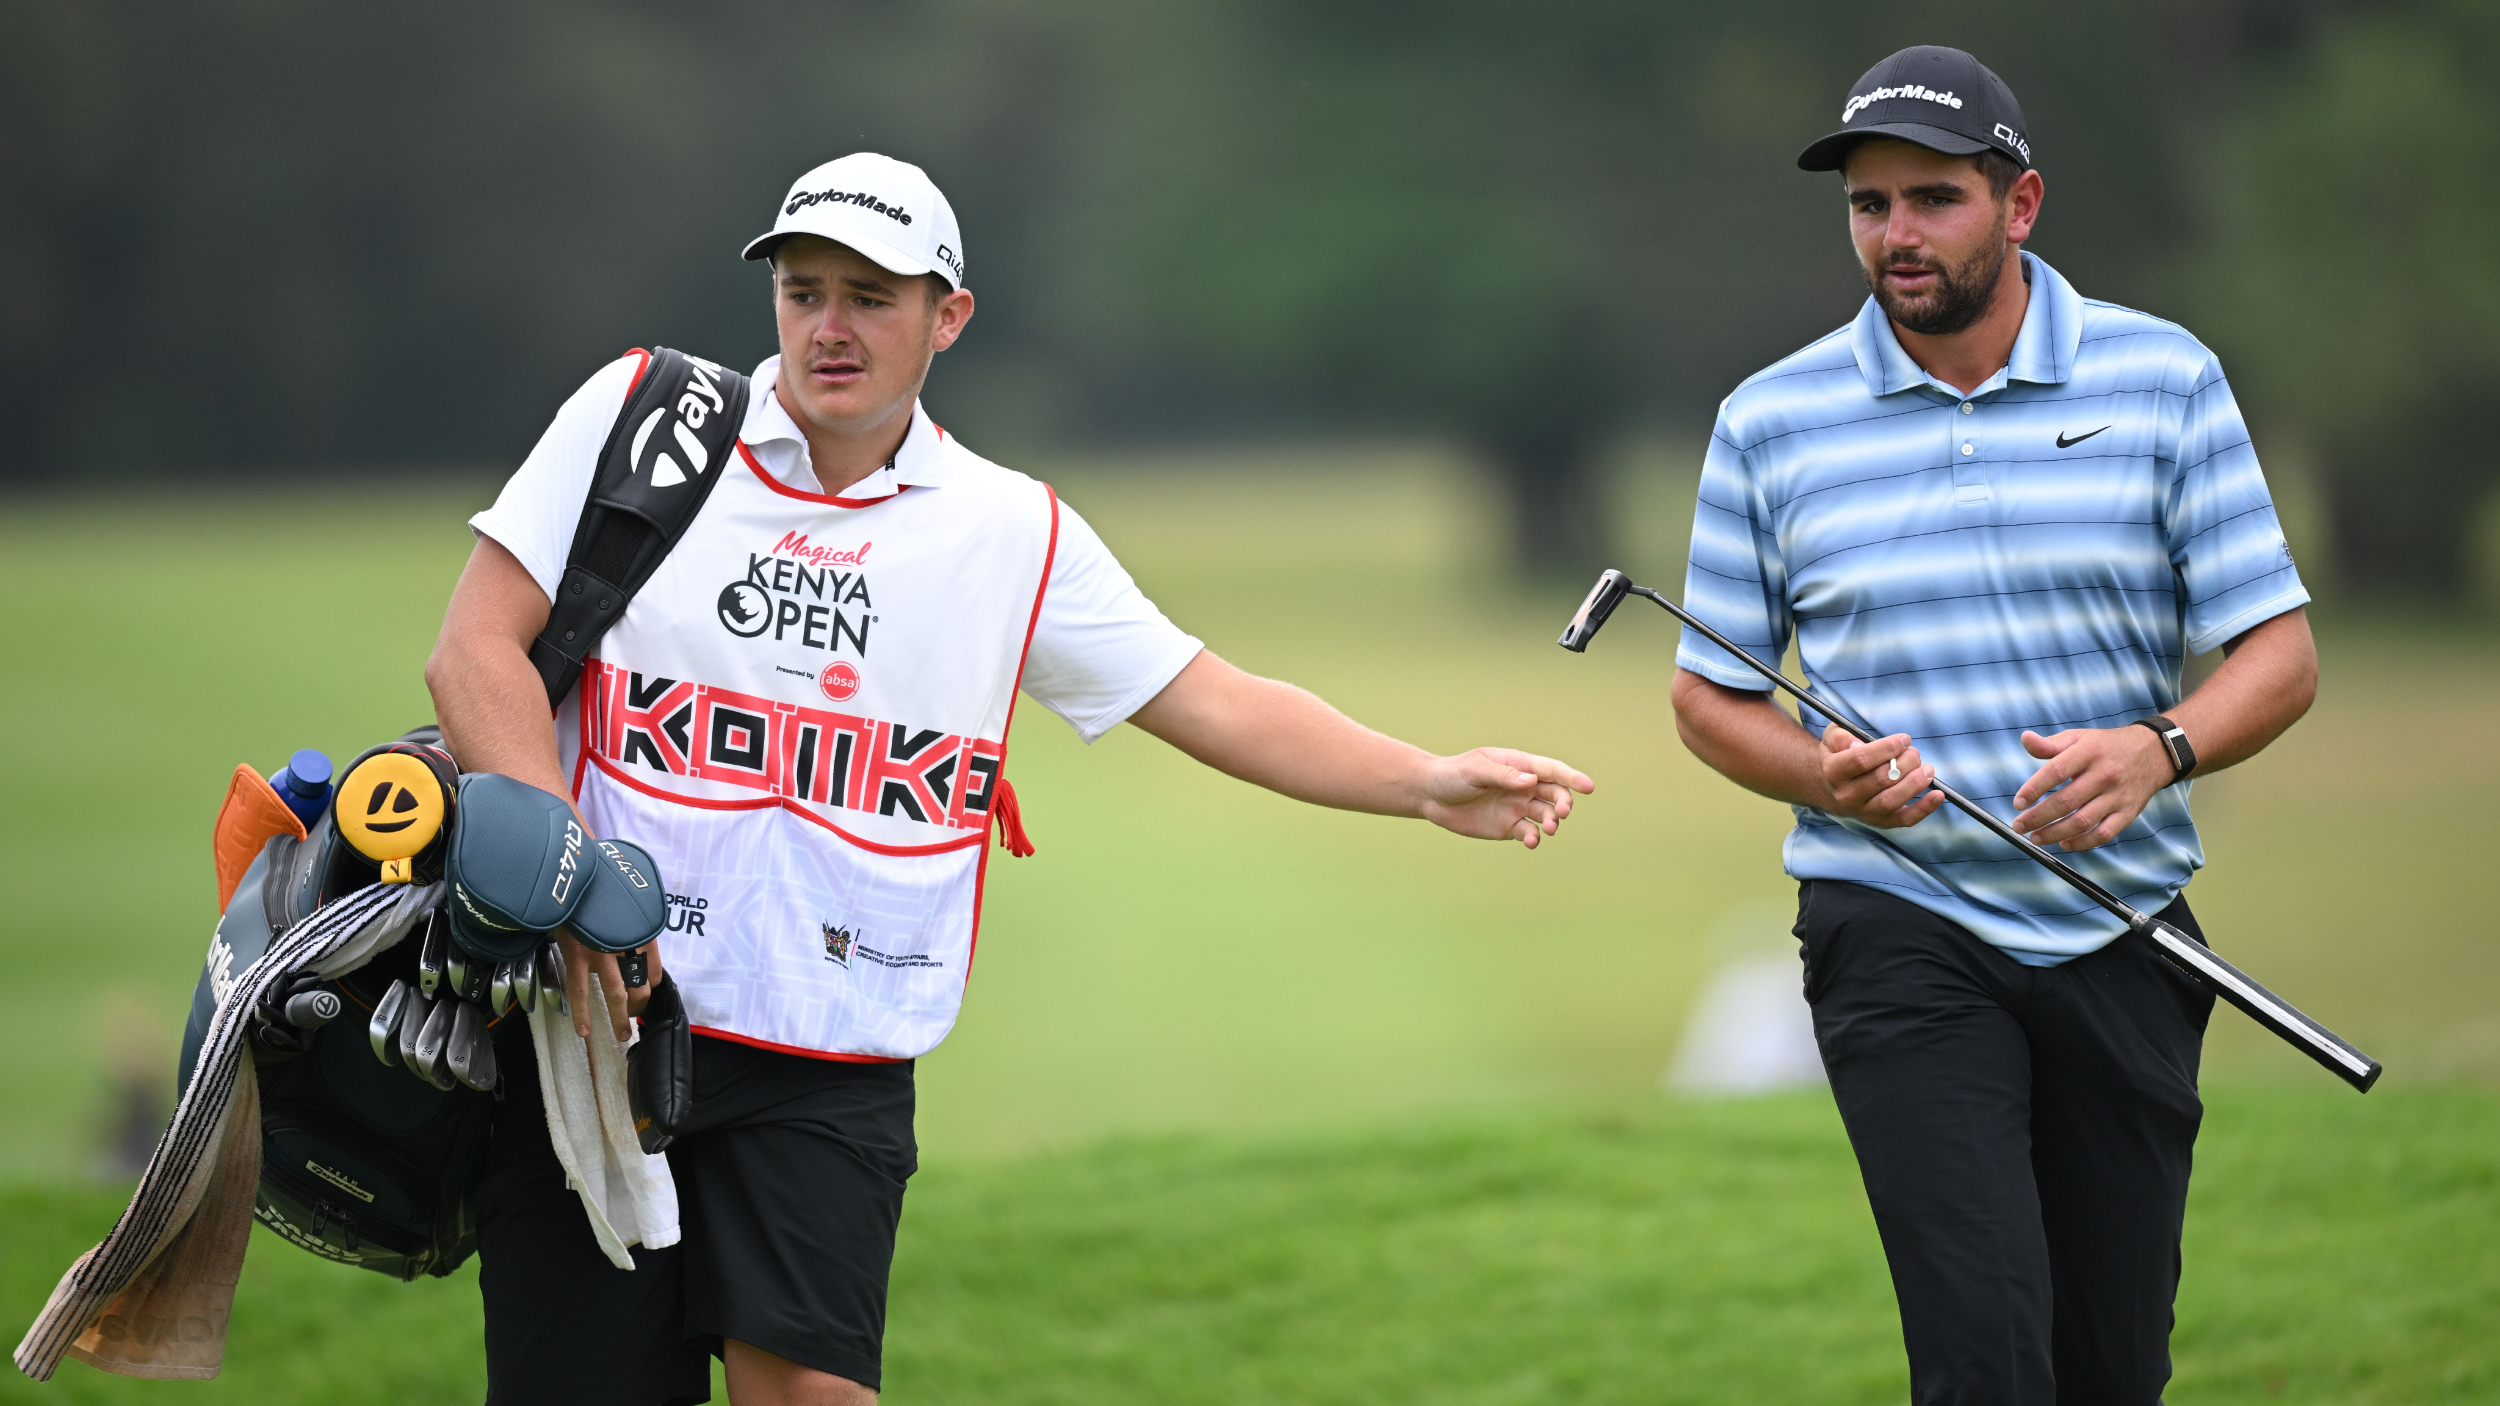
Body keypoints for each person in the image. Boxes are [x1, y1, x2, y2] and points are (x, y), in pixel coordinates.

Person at [425, 151, 1593, 1406]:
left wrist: (1420, 780)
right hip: (595, 1014)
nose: (830, 327)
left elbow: (1206, 694)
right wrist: (566, 883)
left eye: (872, 298)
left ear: (948, 317)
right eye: (805, 290)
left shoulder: (1007, 528)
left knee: (812, 1393)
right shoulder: (640, 418)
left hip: (836, 1039)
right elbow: (474, 648)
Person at [1668, 47, 2316, 1406]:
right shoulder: (1770, 422)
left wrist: (2159, 747)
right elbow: (1706, 699)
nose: (1896, 234)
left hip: (2122, 927)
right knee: (1981, 1349)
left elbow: (2279, 653)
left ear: (2019, 203)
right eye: (1869, 204)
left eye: (1933, 199)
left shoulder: (2163, 378)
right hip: (1893, 924)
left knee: (2111, 1363)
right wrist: (1825, 781)